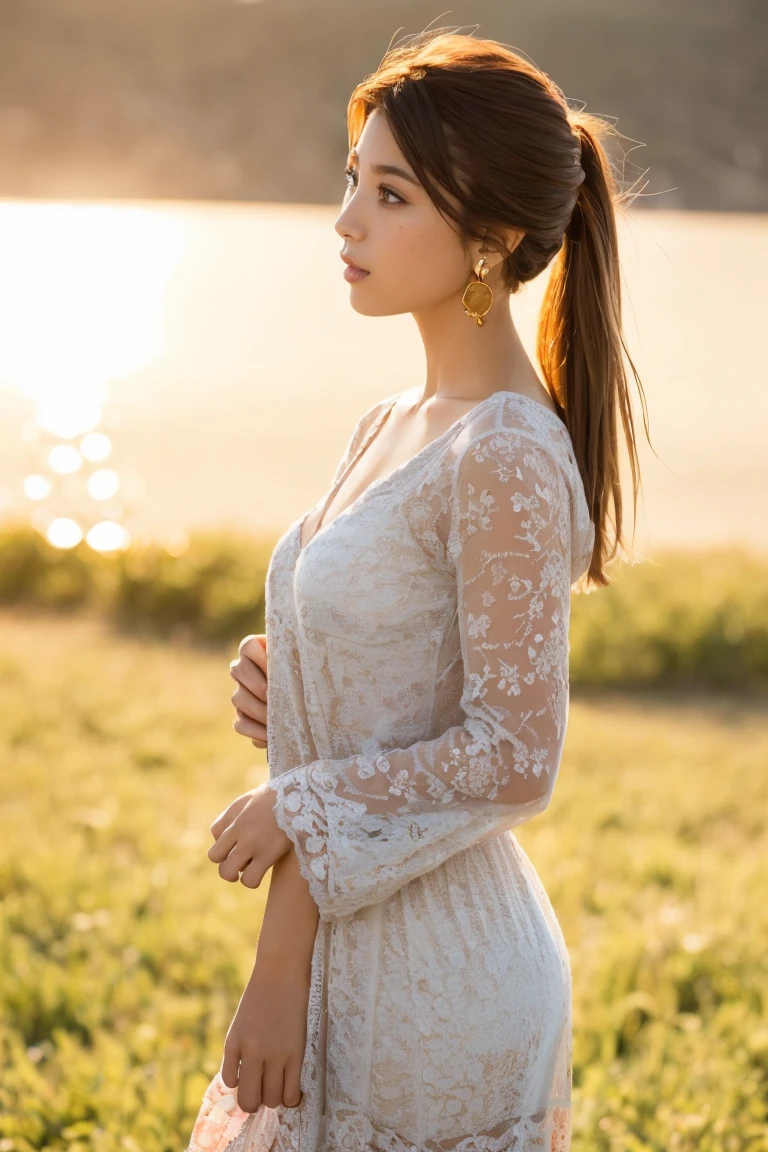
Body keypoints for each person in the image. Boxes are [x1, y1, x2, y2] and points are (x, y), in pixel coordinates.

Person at [186, 26, 647, 1152]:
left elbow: (515, 751)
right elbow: (395, 677)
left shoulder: (506, 453)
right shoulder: (389, 424)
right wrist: (288, 671)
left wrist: (296, 805)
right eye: (355, 181)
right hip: (350, 946)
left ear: (488, 241)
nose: (347, 222)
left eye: (391, 195)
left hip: (440, 984)